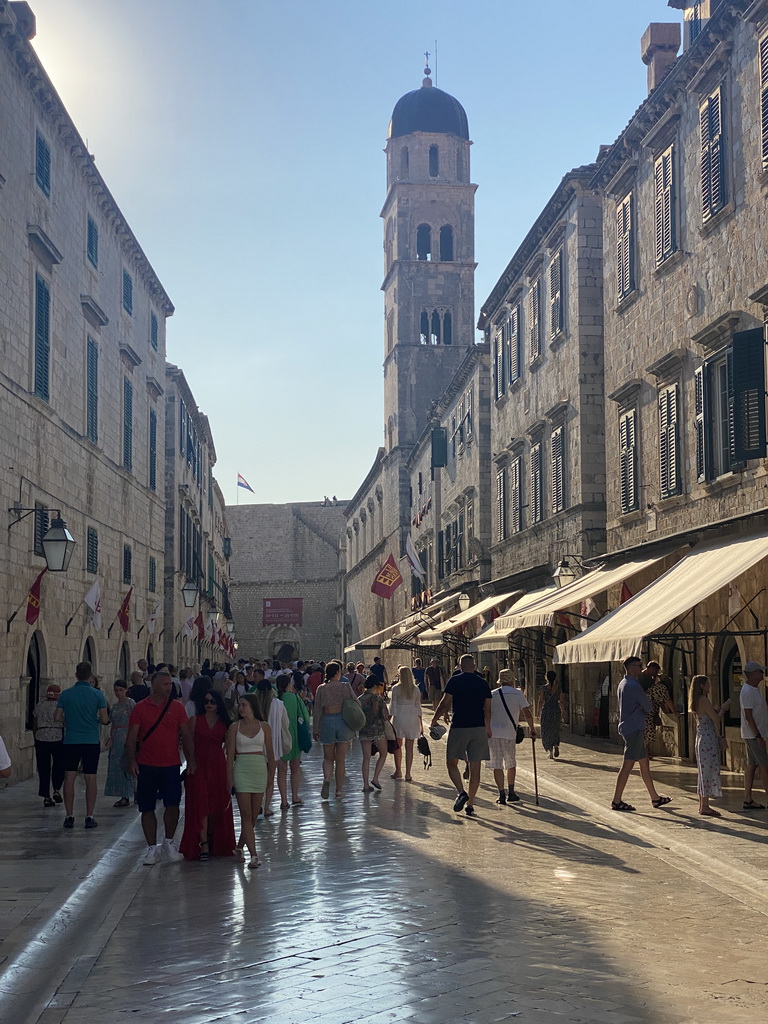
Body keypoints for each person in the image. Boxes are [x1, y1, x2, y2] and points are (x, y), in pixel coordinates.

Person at [124, 669, 195, 866]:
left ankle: (169, 842)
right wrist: (132, 762)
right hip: (147, 765)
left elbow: (186, 735)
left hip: (171, 764)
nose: (169, 687)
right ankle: (151, 848)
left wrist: (191, 760)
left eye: (170, 684)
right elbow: (131, 739)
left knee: (172, 804)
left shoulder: (177, 708)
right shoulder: (140, 708)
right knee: (147, 807)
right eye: (165, 684)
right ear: (154, 686)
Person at [431, 654, 492, 818]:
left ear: (459, 666)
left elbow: (445, 703)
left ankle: (461, 791)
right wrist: (487, 727)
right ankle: (470, 804)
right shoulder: (483, 683)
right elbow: (488, 708)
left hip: (460, 726)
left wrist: (434, 719)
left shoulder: (455, 681)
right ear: (475, 665)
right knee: (475, 767)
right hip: (478, 727)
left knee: (451, 762)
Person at [179, 690, 235, 861]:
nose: (209, 704)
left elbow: (231, 747)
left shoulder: (225, 723)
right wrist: (190, 763)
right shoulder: (196, 720)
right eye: (206, 701)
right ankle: (203, 843)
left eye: (212, 701)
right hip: (200, 764)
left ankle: (214, 839)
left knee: (216, 804)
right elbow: (186, 741)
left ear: (218, 704)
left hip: (218, 765)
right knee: (200, 804)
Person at [611, 656, 670, 812]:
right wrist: (643, 707)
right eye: (639, 665)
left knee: (644, 764)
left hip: (630, 727)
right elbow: (648, 706)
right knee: (627, 765)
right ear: (631, 667)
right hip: (635, 729)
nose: (641, 668)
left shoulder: (622, 684)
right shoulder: (634, 686)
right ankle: (617, 800)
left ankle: (655, 798)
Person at [55, 661, 109, 829]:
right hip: (91, 739)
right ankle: (89, 816)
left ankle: (69, 815)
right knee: (90, 777)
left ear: (76, 674)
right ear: (90, 675)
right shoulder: (98, 695)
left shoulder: (66, 694)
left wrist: (67, 723)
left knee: (69, 777)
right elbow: (105, 719)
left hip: (71, 739)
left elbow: (57, 717)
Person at [226, 694, 275, 868]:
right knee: (245, 815)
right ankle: (254, 855)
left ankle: (239, 847)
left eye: (244, 705)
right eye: (239, 705)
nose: (241, 708)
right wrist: (229, 778)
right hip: (242, 769)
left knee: (254, 815)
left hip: (259, 769)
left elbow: (271, 754)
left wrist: (271, 777)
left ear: (252, 706)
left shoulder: (265, 727)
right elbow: (230, 755)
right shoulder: (234, 727)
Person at [488, 669, 536, 805]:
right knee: (511, 763)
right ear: (512, 680)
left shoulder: (492, 694)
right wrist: (532, 729)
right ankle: (511, 791)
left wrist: (486, 728)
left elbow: (486, 712)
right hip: (510, 733)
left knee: (497, 765)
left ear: (500, 681)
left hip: (494, 733)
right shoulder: (518, 694)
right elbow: (527, 713)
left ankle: (501, 794)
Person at [313, 662, 357, 800]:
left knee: (327, 757)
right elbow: (356, 702)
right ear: (337, 673)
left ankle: (327, 779)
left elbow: (317, 710)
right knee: (340, 760)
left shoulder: (321, 689)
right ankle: (338, 790)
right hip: (342, 721)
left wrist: (315, 729)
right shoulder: (345, 686)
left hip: (327, 721)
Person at [689, 675, 729, 817]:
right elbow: (716, 719)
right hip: (708, 739)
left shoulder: (695, 701)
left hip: (701, 737)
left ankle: (702, 804)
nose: (709, 687)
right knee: (708, 771)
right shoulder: (703, 700)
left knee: (703, 771)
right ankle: (705, 805)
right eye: (707, 684)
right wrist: (723, 708)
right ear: (701, 686)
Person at [251, 677, 290, 815]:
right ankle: (267, 807)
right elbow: (286, 723)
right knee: (270, 779)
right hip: (274, 747)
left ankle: (257, 804)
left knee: (257, 778)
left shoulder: (253, 705)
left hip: (256, 747)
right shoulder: (279, 704)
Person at [277, 674, 311, 807]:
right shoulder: (295, 698)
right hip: (294, 736)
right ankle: (295, 796)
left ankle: (283, 800)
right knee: (295, 768)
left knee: (281, 770)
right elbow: (305, 717)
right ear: (287, 685)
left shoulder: (276, 700)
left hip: (280, 738)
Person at [739, 661, 768, 809]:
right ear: (751, 674)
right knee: (765, 765)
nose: (762, 673)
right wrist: (758, 736)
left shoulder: (755, 690)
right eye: (759, 671)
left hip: (756, 734)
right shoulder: (747, 691)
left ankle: (747, 799)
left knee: (752, 765)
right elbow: (748, 716)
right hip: (753, 735)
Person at [32, 683, 65, 807]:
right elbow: (65, 721)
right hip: (57, 736)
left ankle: (46, 796)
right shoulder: (61, 706)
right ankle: (56, 789)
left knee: (43, 768)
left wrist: (35, 736)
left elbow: (34, 722)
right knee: (59, 764)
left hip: (41, 736)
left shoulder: (39, 705)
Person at [104, 680, 135, 807]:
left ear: (126, 690)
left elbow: (135, 720)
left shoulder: (130, 703)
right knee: (118, 765)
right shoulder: (115, 706)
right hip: (116, 738)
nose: (118, 693)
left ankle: (133, 792)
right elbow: (111, 722)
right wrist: (110, 737)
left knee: (128, 764)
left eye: (121, 690)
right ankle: (123, 794)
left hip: (127, 735)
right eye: (116, 690)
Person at [389, 666, 423, 781]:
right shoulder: (416, 689)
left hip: (399, 718)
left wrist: (388, 720)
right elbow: (418, 707)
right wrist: (421, 723)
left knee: (398, 746)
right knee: (410, 747)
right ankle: (408, 773)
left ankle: (398, 770)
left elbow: (392, 707)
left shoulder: (395, 689)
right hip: (412, 718)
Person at [359, 676, 389, 791]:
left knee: (366, 758)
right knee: (383, 753)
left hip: (364, 730)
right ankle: (375, 778)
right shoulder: (377, 698)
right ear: (375, 686)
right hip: (378, 730)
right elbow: (384, 715)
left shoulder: (360, 699)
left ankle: (365, 785)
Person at [640, 661, 676, 757]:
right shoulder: (661, 687)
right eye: (655, 671)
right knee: (648, 734)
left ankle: (644, 752)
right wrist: (674, 712)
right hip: (647, 711)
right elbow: (667, 700)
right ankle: (641, 752)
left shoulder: (653, 682)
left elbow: (662, 703)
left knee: (648, 733)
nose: (656, 674)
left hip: (648, 711)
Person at [537, 670, 563, 759]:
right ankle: (556, 745)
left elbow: (541, 700)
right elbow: (561, 701)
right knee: (555, 729)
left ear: (546, 677)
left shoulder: (543, 688)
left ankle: (551, 752)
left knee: (546, 730)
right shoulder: (558, 688)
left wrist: (538, 711)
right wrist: (562, 712)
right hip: (556, 710)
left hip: (547, 711)